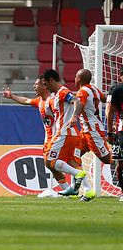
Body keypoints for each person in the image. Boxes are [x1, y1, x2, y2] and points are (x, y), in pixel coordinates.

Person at [3, 77, 71, 191]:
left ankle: (79, 180)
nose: (34, 87)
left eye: (36, 84)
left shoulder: (53, 101)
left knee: (56, 162)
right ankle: (69, 190)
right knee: (50, 165)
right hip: (48, 139)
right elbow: (26, 101)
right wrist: (11, 96)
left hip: (59, 136)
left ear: (44, 85)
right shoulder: (40, 101)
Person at [40, 68, 91, 200]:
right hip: (71, 134)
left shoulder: (63, 92)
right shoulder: (57, 94)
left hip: (65, 133)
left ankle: (77, 174)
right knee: (71, 161)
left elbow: (77, 101)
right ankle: (88, 190)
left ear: (51, 80)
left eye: (45, 84)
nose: (45, 87)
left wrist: (74, 116)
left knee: (49, 161)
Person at [72, 69, 112, 177]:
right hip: (86, 131)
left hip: (92, 131)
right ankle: (77, 188)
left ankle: (120, 163)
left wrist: (75, 116)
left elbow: (79, 104)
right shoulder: (94, 89)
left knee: (107, 159)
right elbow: (104, 99)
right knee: (73, 156)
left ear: (79, 79)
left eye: (76, 76)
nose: (74, 79)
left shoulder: (82, 92)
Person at [106, 66, 123, 201]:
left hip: (121, 130)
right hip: (120, 130)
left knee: (120, 162)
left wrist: (110, 132)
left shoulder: (117, 90)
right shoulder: (116, 90)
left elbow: (110, 111)